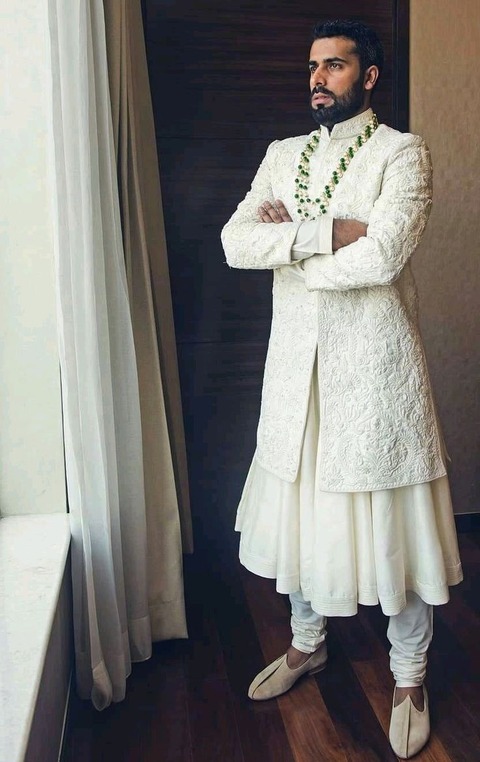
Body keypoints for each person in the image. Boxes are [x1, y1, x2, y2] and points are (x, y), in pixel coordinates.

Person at [221, 19, 463, 760]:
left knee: (393, 524)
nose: (318, 78)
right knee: (301, 513)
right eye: (313, 67)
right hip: (296, 373)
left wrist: (289, 248)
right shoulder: (281, 154)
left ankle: (410, 676)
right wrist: (327, 233)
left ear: (370, 75)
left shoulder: (401, 153)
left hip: (374, 371)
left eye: (334, 65)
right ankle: (307, 642)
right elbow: (236, 242)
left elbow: (383, 257)